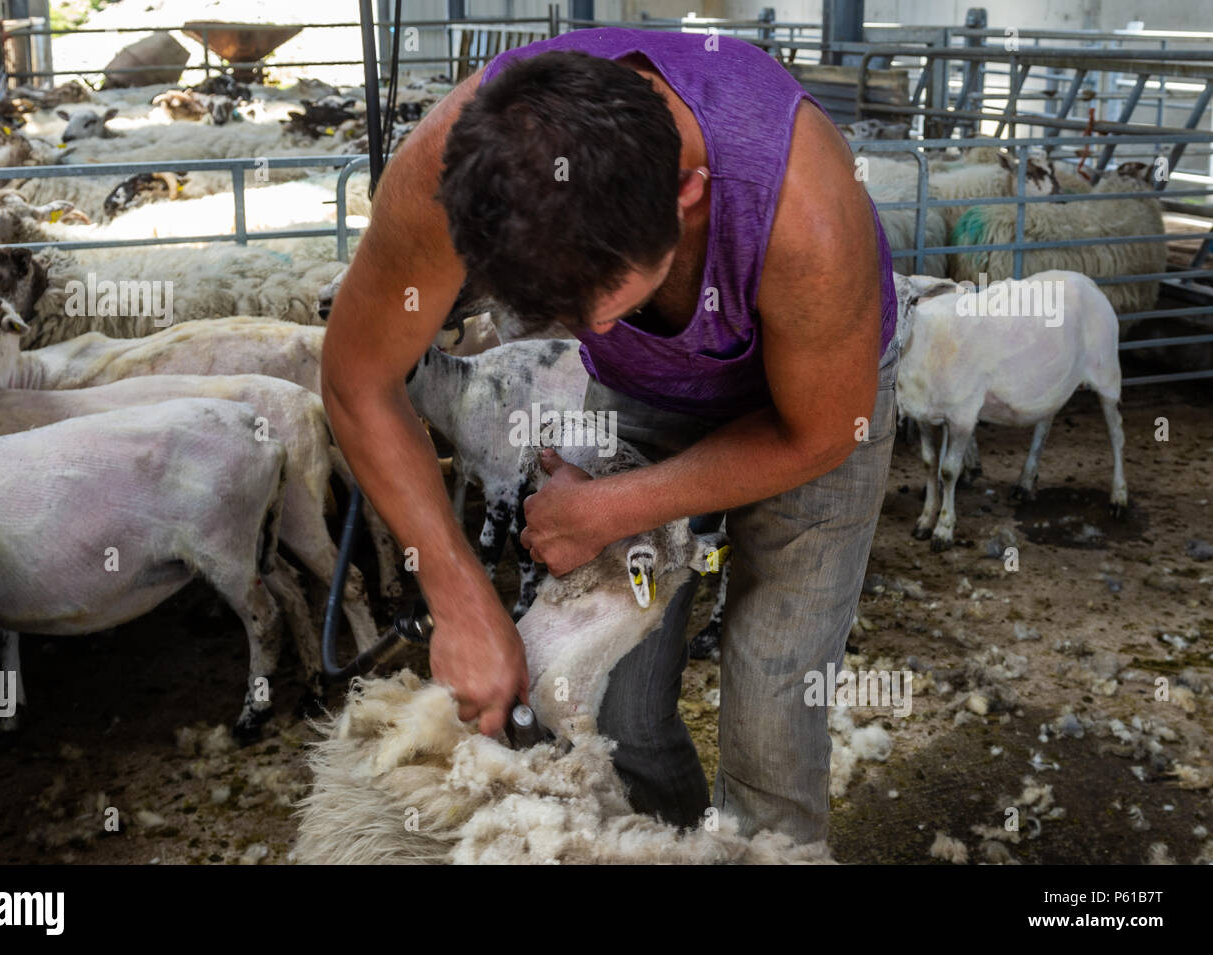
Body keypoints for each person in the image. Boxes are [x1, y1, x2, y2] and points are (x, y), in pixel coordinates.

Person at [322, 27, 898, 844]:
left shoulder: (803, 210)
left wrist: (609, 508)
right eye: (552, 308)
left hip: (815, 408)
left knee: (776, 696)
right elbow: (357, 376)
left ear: (686, 194)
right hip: (646, 387)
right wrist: (458, 598)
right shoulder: (455, 168)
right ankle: (652, 849)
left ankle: (770, 849)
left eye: (608, 298)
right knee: (609, 704)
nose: (588, 326)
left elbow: (822, 430)